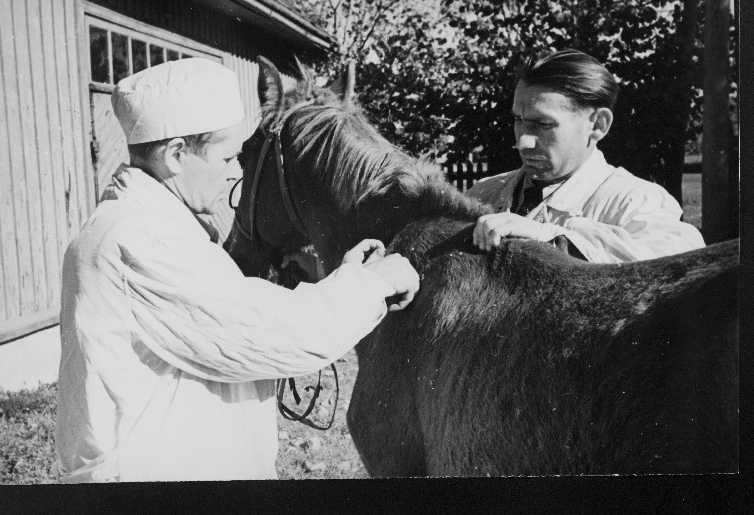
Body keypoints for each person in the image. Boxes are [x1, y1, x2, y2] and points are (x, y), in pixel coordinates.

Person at [55, 58, 420, 482]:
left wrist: (343, 276)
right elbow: (282, 334)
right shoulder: (138, 238)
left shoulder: (153, 226)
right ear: (176, 155)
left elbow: (231, 309)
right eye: (228, 157)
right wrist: (374, 282)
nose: (236, 172)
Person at [468, 49, 705, 263]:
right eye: (518, 120)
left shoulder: (636, 202)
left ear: (598, 124)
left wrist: (547, 236)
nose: (522, 141)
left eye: (544, 123)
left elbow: (684, 263)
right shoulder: (483, 194)